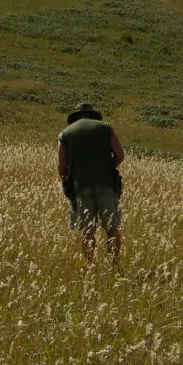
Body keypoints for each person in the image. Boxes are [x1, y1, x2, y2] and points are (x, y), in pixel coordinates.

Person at [58, 102, 125, 263]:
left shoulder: (65, 133)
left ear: (75, 117)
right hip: (106, 184)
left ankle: (91, 267)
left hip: (80, 186)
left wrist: (70, 180)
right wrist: (108, 168)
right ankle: (114, 265)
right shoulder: (106, 128)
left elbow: (61, 169)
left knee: (87, 231)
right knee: (111, 227)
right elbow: (120, 155)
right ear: (93, 115)